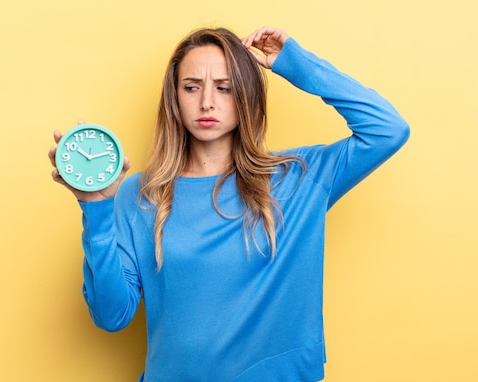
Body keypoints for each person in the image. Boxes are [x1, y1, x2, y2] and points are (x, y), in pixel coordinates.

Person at [49, 26, 409, 381]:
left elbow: (387, 129)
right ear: (174, 97)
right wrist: (96, 210)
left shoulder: (298, 178)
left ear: (247, 95)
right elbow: (111, 315)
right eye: (192, 87)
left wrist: (296, 63)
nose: (207, 101)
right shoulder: (139, 193)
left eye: (225, 88)